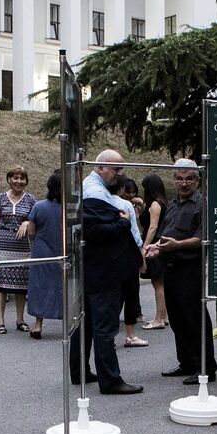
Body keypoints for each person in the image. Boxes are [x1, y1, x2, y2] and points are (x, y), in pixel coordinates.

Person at [70, 150, 143, 394]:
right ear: (100, 168)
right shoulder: (95, 194)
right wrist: (122, 222)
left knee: (87, 323)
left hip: (94, 268)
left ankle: (79, 371)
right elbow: (95, 231)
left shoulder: (90, 190)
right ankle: (110, 380)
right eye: (116, 169)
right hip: (104, 270)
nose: (121, 175)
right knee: (104, 326)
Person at [149, 158, 216, 385]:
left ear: (197, 180)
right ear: (174, 179)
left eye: (189, 179)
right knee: (177, 318)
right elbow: (166, 232)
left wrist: (177, 246)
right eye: (179, 178)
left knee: (195, 318)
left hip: (191, 267)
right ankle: (186, 362)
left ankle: (206, 367)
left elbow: (203, 238)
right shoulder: (173, 204)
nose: (183, 183)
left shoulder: (202, 203)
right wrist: (155, 246)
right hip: (171, 268)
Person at [0, 166, 36, 332]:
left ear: (26, 181)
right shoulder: (0, 199)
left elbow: (36, 222)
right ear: (9, 179)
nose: (18, 181)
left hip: (22, 246)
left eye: (22, 178)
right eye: (15, 178)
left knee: (21, 284)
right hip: (2, 244)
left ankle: (20, 320)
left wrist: (27, 222)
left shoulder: (31, 200)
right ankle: (0, 322)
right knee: (1, 284)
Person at [27, 172, 64, 338]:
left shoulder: (38, 207)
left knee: (40, 286)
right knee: (64, 286)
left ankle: (37, 325)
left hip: (42, 251)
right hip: (64, 250)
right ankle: (69, 321)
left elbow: (31, 232)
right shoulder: (71, 208)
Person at [116, 178, 148, 347]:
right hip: (129, 254)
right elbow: (136, 234)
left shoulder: (104, 202)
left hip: (114, 256)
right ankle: (130, 334)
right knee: (129, 294)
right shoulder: (126, 206)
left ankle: (111, 336)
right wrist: (142, 255)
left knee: (116, 297)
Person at [139, 173, 170, 330]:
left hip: (154, 246)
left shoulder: (155, 205)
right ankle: (163, 317)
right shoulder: (164, 202)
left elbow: (152, 227)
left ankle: (159, 318)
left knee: (158, 283)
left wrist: (145, 246)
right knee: (160, 282)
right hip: (162, 244)